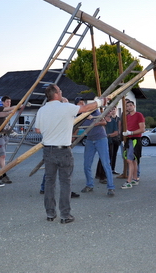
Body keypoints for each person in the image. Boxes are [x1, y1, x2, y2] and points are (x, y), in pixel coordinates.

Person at [34, 84, 108, 224]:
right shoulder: (65, 107)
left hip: (48, 150)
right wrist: (101, 102)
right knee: (65, 182)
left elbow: (38, 130)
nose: (62, 92)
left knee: (49, 182)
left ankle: (50, 214)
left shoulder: (42, 110)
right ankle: (65, 215)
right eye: (60, 90)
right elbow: (85, 108)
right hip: (63, 150)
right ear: (56, 93)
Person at [80, 108, 116, 196]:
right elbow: (76, 127)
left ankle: (111, 187)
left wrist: (95, 121)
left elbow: (104, 122)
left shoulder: (95, 111)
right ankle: (89, 185)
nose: (81, 105)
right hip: (89, 140)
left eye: (82, 103)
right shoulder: (79, 115)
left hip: (101, 138)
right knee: (86, 164)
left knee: (105, 163)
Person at [121, 100, 145, 189]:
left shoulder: (139, 115)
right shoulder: (127, 117)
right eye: (127, 106)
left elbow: (142, 129)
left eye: (130, 105)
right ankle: (134, 179)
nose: (129, 107)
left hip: (135, 139)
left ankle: (129, 181)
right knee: (133, 160)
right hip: (129, 139)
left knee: (130, 160)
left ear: (134, 106)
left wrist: (131, 133)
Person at [0, 95, 17, 184]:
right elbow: (7, 109)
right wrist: (18, 106)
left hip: (5, 135)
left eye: (10, 102)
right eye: (7, 102)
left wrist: (12, 131)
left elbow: (6, 125)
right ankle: (4, 174)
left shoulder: (8, 113)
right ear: (3, 102)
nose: (8, 104)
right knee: (2, 155)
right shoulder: (0, 108)